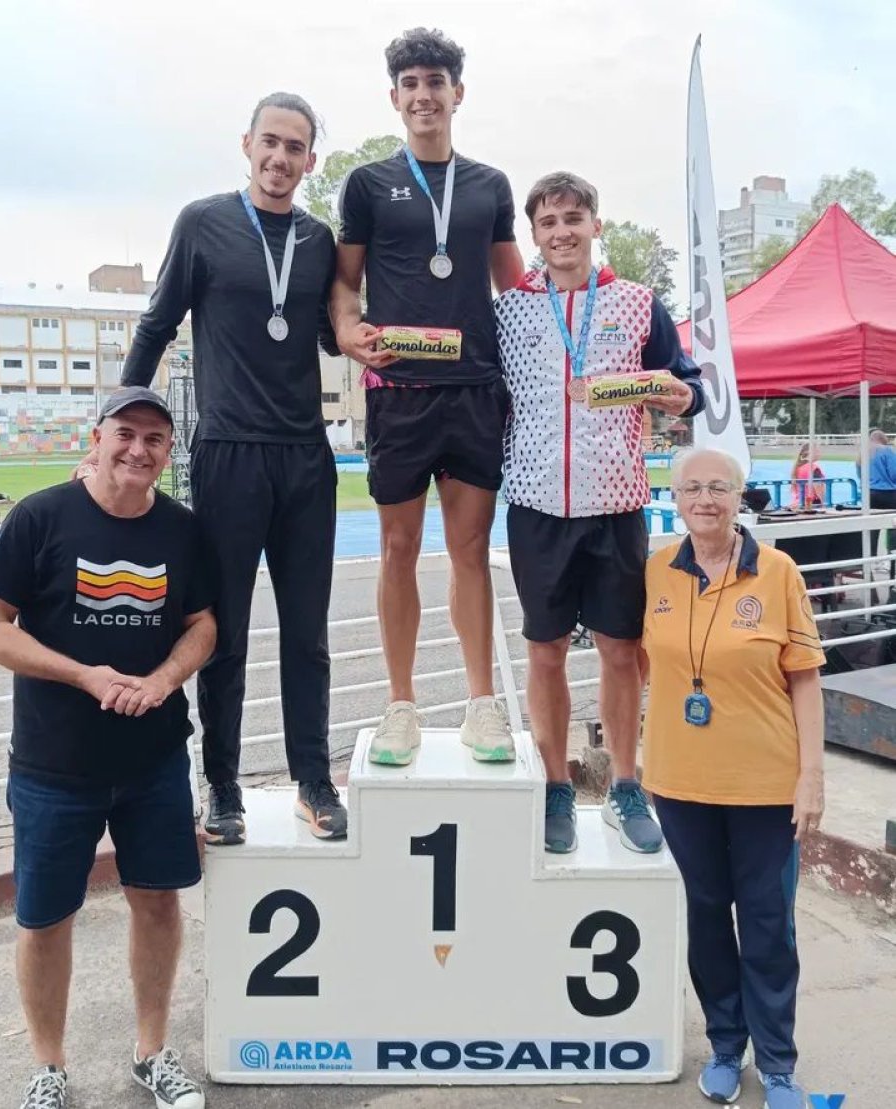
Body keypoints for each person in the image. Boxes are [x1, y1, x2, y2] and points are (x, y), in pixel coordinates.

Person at [120, 93, 346, 843]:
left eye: (296, 148)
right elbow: (156, 323)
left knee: (307, 631)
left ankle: (314, 779)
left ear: (312, 160)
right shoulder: (203, 224)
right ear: (247, 144)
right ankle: (224, 786)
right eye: (270, 143)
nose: (281, 159)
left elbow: (335, 332)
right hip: (228, 455)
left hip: (306, 459)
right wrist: (123, 416)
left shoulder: (318, 242)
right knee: (223, 630)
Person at [0, 388, 215, 1109]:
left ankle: (153, 1051)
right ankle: (48, 1067)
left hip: (152, 760)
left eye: (155, 439)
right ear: (96, 438)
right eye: (126, 433)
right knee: (45, 917)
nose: (138, 449)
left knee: (157, 902)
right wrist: (82, 673)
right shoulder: (38, 518)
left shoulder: (182, 530)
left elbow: (202, 625)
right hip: (54, 765)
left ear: (166, 453)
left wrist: (161, 680)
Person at [331, 28, 524, 766]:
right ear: (394, 97)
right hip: (400, 392)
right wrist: (348, 330)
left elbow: (516, 286)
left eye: (435, 81)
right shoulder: (368, 183)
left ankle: (481, 704)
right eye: (410, 83)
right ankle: (400, 704)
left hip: (475, 389)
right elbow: (346, 284)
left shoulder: (489, 185)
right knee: (397, 548)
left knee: (471, 551)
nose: (423, 94)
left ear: (457, 93)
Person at [495, 171, 704, 854]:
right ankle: (556, 784)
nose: (561, 232)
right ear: (534, 234)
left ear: (595, 224)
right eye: (548, 221)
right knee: (545, 650)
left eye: (573, 217)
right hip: (535, 505)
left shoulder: (639, 302)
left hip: (616, 504)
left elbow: (690, 386)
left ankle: (623, 784)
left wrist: (680, 396)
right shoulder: (510, 310)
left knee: (622, 650)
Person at [641, 447, 825, 1109]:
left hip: (765, 787)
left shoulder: (776, 573)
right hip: (680, 783)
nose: (705, 499)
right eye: (692, 487)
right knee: (706, 918)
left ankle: (776, 1063)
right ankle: (725, 1044)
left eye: (718, 486)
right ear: (676, 497)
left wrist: (811, 777)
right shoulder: (657, 570)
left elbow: (805, 679)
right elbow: (634, 662)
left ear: (740, 495)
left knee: (770, 925)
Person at [789, 442, 825, 508]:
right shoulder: (814, 468)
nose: (820, 453)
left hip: (797, 504)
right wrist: (824, 506)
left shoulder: (797, 468)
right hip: (811, 504)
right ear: (811, 452)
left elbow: (793, 489)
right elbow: (818, 490)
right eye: (817, 451)